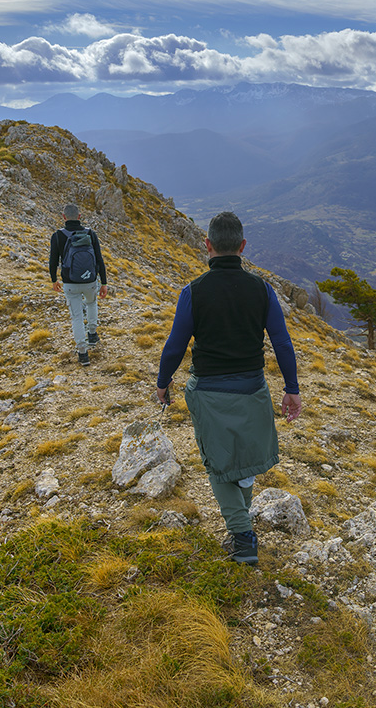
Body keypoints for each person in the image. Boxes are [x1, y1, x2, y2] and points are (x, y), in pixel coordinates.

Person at [156, 211, 302, 565]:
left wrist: (163, 383)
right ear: (242, 246)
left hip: (207, 391)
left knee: (220, 464)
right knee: (246, 461)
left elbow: (175, 346)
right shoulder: (263, 290)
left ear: (207, 246)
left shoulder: (193, 292)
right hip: (253, 388)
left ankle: (241, 537)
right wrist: (291, 388)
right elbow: (282, 344)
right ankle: (242, 532)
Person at [49, 204, 108, 366]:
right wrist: (104, 282)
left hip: (70, 283)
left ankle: (83, 353)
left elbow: (53, 261)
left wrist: (54, 280)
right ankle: (93, 334)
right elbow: (99, 260)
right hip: (90, 281)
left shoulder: (57, 236)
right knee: (91, 303)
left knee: (76, 317)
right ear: (80, 216)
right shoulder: (90, 233)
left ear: (64, 217)